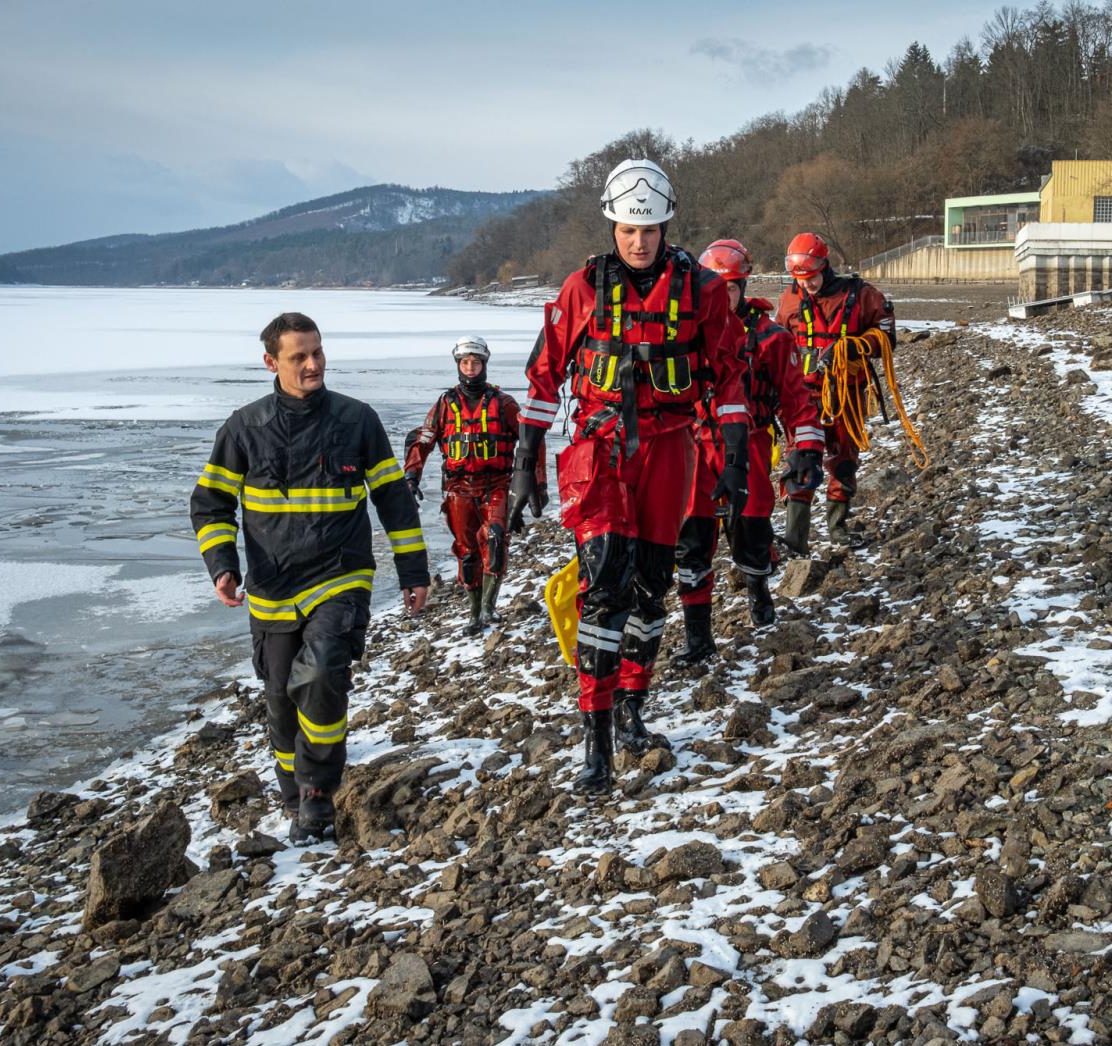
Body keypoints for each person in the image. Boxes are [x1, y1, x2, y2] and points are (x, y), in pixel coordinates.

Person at [508, 159, 749, 795]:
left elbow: (727, 379)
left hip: (671, 449)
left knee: (650, 585)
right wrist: (524, 467)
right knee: (605, 580)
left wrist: (734, 460)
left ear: (667, 226)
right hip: (599, 449)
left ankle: (633, 711)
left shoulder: (702, 291)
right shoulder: (580, 290)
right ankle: (596, 739)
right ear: (612, 226)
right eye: (627, 231)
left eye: (649, 231)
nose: (638, 243)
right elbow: (543, 377)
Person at [191, 312, 430, 843]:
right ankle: (293, 794)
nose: (313, 364)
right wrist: (223, 566)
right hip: (272, 588)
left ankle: (319, 797)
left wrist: (413, 570)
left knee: (322, 674)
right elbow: (210, 505)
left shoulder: (356, 420)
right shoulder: (244, 428)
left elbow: (392, 497)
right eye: (299, 356)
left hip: (340, 576)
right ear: (271, 362)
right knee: (281, 702)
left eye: (317, 352)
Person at [674, 238, 824, 663]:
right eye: (713, 291)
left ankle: (758, 592)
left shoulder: (772, 340)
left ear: (743, 287)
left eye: (730, 290)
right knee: (692, 543)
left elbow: (797, 400)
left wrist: (807, 448)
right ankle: (698, 638)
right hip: (694, 447)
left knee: (751, 536)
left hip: (752, 444)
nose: (721, 300)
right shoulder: (684, 337)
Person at [403, 335, 539, 636]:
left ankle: (490, 607)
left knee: (496, 541)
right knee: (467, 553)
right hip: (458, 489)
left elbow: (531, 441)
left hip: (497, 485)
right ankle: (474, 612)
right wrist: (411, 476)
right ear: (458, 365)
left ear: (484, 364)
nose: (470, 368)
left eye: (475, 362)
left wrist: (534, 483)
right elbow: (423, 440)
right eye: (465, 362)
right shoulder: (444, 404)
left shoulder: (504, 404)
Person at [775, 232, 897, 550]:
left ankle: (837, 526)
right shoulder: (789, 301)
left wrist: (854, 346)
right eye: (800, 279)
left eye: (811, 277)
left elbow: (886, 333)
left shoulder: (860, 294)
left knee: (843, 461)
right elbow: (777, 345)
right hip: (803, 399)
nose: (807, 284)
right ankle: (795, 538)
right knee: (800, 460)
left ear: (824, 266)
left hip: (847, 396)